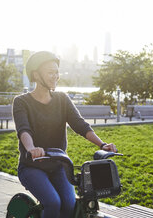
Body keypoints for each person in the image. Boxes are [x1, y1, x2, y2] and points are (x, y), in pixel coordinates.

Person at [12, 51, 117, 218]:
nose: (55, 76)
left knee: (70, 204)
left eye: (57, 72)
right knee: (53, 202)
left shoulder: (62, 99)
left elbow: (80, 125)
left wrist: (102, 144)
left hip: (59, 166)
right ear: (36, 75)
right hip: (32, 166)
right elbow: (24, 129)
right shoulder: (22, 101)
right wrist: (31, 148)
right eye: (50, 72)